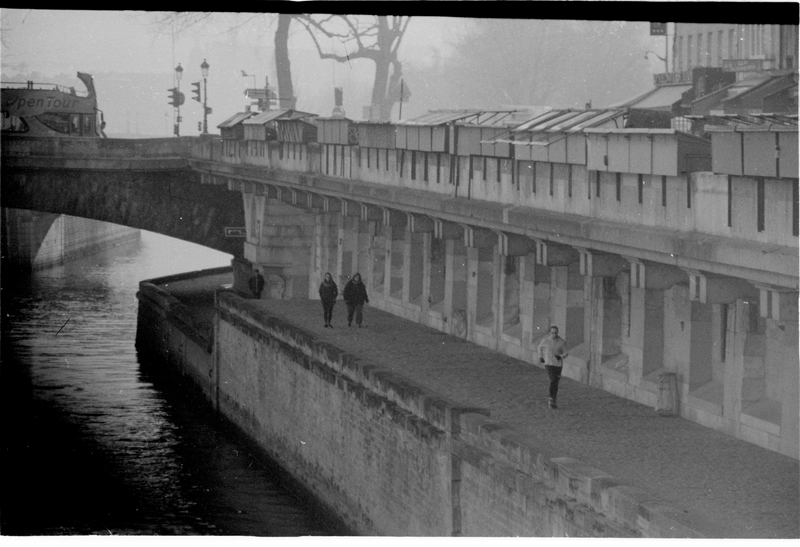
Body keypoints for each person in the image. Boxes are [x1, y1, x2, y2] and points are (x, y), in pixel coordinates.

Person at [537, 325, 568, 409]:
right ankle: (551, 398)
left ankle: (553, 398)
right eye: (553, 333)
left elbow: (566, 352)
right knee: (553, 379)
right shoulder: (545, 341)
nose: (554, 334)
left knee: (556, 382)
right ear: (550, 333)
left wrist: (560, 356)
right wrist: (541, 357)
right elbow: (539, 348)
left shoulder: (561, 342)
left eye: (556, 333)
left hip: (558, 365)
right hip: (548, 363)